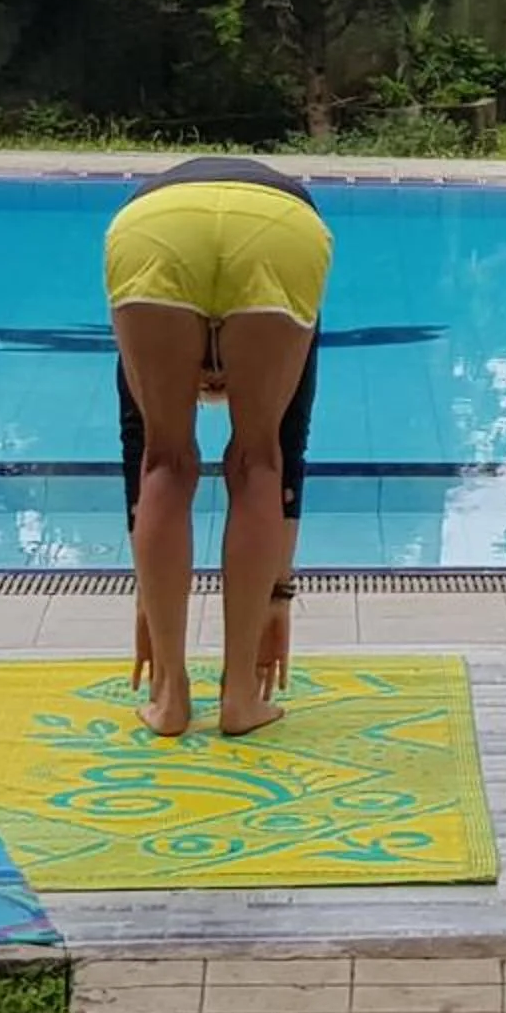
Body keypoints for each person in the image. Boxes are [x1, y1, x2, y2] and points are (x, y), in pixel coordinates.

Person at [100, 154, 330, 739]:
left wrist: (150, 601)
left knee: (164, 460)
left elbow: (140, 460)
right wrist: (276, 596)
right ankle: (238, 701)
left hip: (156, 225)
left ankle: (170, 696)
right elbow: (286, 460)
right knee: (257, 461)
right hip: (279, 229)